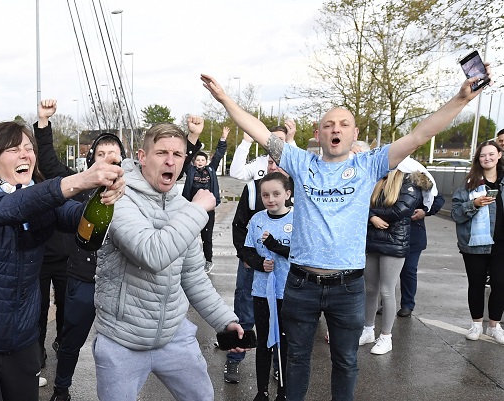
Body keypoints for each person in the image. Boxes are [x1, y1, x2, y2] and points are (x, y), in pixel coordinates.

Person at [201, 66, 490, 401]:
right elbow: (260, 131)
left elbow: (418, 136)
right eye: (328, 125)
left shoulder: (370, 164)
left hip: (348, 287)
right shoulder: (300, 162)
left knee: (346, 361)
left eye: (343, 124)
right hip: (301, 284)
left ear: (354, 135)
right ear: (318, 134)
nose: (335, 129)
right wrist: (224, 99)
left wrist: (460, 99)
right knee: (295, 360)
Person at [0, 119, 125, 401]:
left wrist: (104, 194)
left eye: (29, 148)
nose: (26, 154)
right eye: (14, 149)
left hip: (22, 342)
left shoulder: (38, 196)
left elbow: (76, 217)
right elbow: (10, 209)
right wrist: (79, 179)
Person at [92, 122, 245, 401]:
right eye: (162, 152)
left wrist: (225, 321)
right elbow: (153, 254)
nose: (170, 161)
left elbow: (193, 277)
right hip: (122, 341)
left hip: (174, 335)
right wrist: (198, 209)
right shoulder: (117, 197)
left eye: (178, 154)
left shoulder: (181, 207)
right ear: (142, 156)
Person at [34, 99, 127, 401]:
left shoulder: (135, 190)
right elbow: (48, 165)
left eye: (113, 154)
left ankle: (120, 390)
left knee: (122, 343)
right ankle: (62, 388)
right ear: (91, 161)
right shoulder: (80, 185)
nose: (107, 159)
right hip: (82, 276)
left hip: (120, 281)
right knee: (70, 339)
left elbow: (172, 167)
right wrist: (44, 122)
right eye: (100, 154)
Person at [225, 154, 291, 384]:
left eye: (279, 162)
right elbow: (239, 224)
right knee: (244, 313)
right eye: (270, 162)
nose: (273, 165)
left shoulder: (296, 192)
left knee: (281, 327)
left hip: (284, 278)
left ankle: (277, 368)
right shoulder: (253, 189)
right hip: (254, 267)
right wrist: (247, 257)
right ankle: (234, 357)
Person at [359, 168, 429, 355]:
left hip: (395, 242)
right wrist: (372, 217)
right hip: (372, 239)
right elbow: (358, 204)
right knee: (370, 289)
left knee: (386, 290)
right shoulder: (374, 178)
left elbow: (402, 209)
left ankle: (386, 337)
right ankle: (368, 330)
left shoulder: (408, 181)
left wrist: (372, 214)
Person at [241, 172, 292, 401]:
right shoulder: (257, 220)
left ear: (287, 194)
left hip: (289, 291)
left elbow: (300, 252)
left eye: (276, 194)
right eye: (265, 195)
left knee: (285, 341)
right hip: (262, 291)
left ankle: (283, 390)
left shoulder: (297, 219)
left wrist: (275, 245)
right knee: (264, 342)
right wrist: (260, 263)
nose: (270, 199)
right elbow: (247, 251)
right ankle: (262, 391)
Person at [451, 140, 504, 344]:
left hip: (501, 243)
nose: (487, 158)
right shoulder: (469, 183)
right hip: (475, 243)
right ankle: (476, 324)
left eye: (491, 154)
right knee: (476, 284)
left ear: (499, 155)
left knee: (500, 284)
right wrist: (473, 204)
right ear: (478, 158)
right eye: (483, 155)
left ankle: (494, 325)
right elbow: (456, 213)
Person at [396, 158, 445, 317]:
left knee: (408, 270)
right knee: (387, 272)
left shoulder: (418, 174)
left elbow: (438, 198)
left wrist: (425, 211)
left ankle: (407, 304)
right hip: (391, 233)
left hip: (413, 233)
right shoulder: (388, 172)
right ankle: (386, 303)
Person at [182, 118, 227, 273]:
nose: (200, 162)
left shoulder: (211, 170)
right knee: (190, 236)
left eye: (203, 160)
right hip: (192, 208)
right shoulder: (191, 171)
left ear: (206, 162)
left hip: (208, 210)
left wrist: (223, 139)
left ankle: (208, 261)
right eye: (198, 160)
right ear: (195, 162)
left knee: (206, 238)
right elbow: (186, 157)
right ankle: (189, 261)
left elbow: (219, 154)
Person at [230, 125, 296, 181]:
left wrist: (291, 142)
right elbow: (236, 173)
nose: (276, 142)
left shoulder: (291, 161)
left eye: (280, 139)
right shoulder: (259, 161)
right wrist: (246, 142)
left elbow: (300, 169)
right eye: (273, 139)